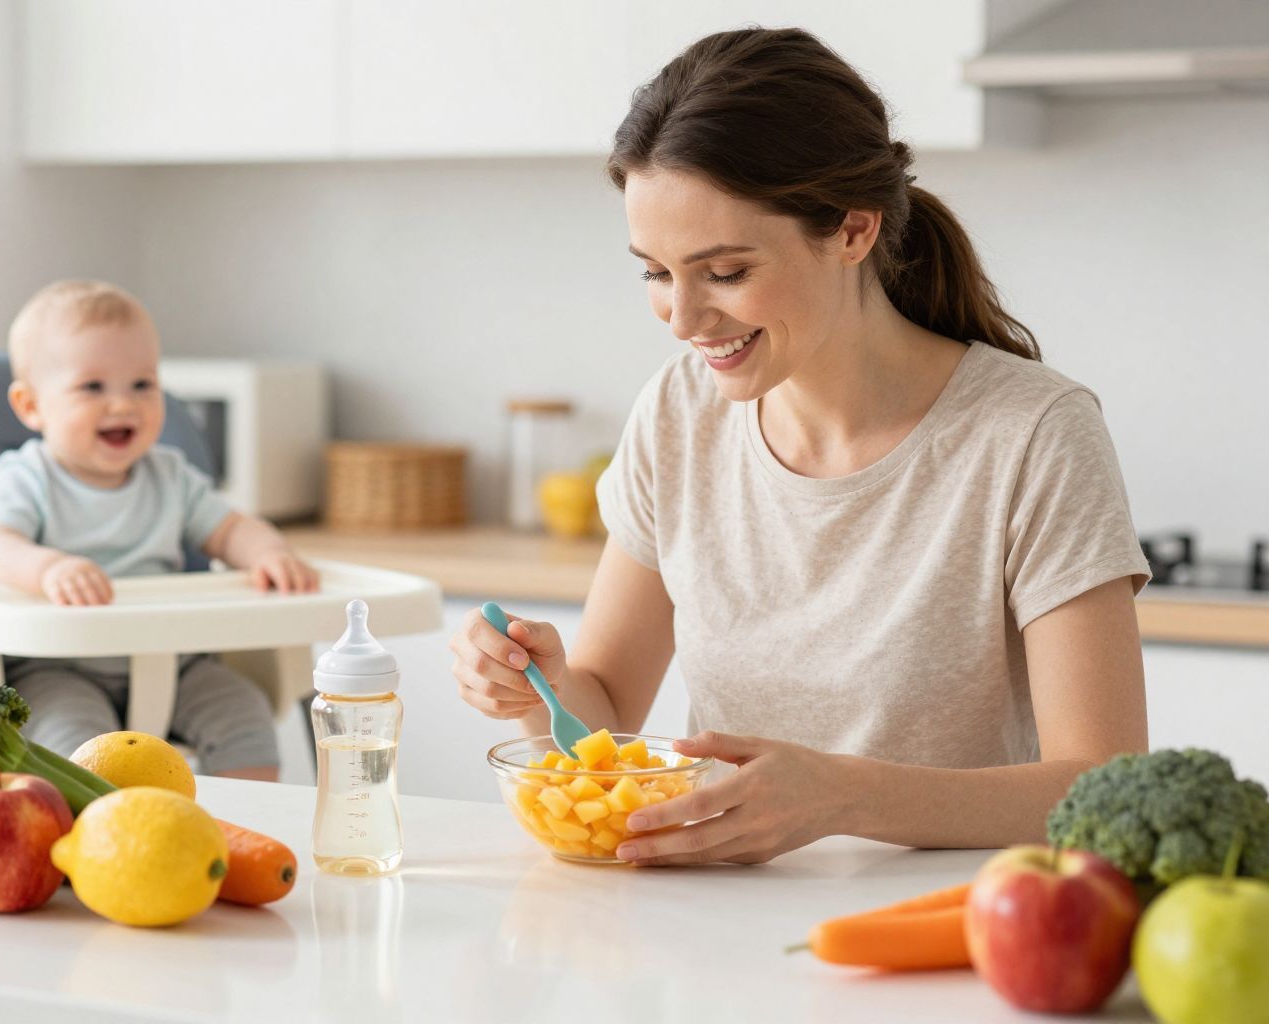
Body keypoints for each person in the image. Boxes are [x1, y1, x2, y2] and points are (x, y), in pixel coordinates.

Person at [450, 27, 1151, 865]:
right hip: (713, 937)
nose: (681, 317)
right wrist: (538, 684)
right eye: (654, 271)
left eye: (726, 272)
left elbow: (1103, 786)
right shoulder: (678, 417)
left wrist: (840, 796)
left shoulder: (1032, 434)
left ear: (854, 231)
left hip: (944, 940)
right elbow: (600, 720)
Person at [0, 279, 319, 781]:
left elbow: (230, 528)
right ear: (31, 406)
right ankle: (104, 842)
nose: (123, 404)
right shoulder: (26, 477)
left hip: (175, 661)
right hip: (61, 667)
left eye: (142, 384)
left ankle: (237, 839)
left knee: (245, 713)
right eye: (93, 387)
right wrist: (48, 567)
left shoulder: (170, 477)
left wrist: (268, 553)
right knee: (81, 750)